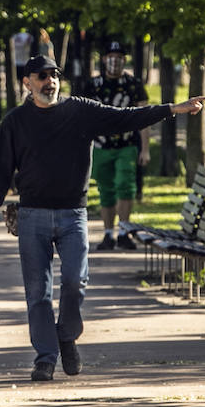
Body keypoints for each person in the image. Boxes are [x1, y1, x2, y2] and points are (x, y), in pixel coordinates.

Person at [0, 56, 205, 382]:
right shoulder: (15, 122)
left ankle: (66, 334)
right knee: (38, 292)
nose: (50, 82)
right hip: (32, 216)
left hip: (74, 214)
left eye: (54, 75)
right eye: (42, 76)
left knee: (76, 282)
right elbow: (1, 170)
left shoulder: (80, 111)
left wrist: (172, 108)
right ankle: (45, 357)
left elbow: (126, 117)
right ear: (27, 83)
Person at [75, 41, 148, 251]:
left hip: (126, 145)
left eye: (119, 56)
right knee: (105, 189)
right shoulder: (93, 85)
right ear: (104, 59)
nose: (114, 60)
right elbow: (83, 116)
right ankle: (108, 234)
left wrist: (145, 149)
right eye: (110, 56)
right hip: (100, 146)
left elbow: (144, 118)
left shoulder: (133, 85)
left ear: (124, 60)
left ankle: (124, 231)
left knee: (125, 186)